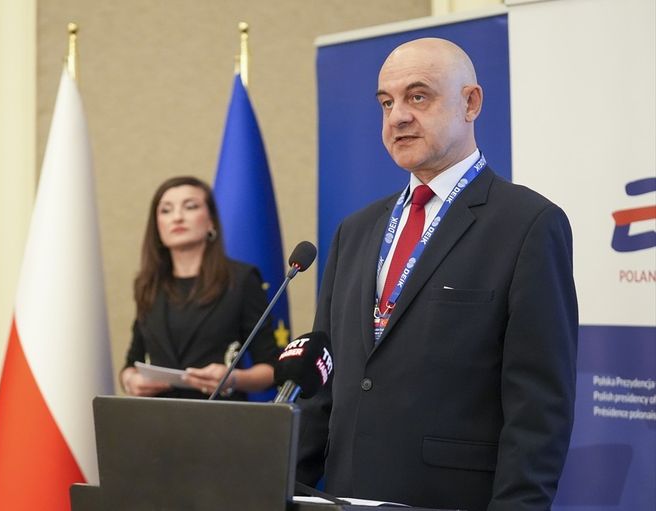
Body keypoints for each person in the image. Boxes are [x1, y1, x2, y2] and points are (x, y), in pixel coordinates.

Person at [297, 38, 578, 510]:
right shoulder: (355, 231)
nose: (397, 117)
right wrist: (276, 487)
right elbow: (322, 384)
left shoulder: (528, 224)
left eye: (418, 96)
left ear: (471, 103)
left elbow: (538, 409)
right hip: (345, 495)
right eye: (387, 102)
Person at [120, 176, 279, 400]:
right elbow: (130, 363)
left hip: (218, 413)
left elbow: (271, 369)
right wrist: (130, 381)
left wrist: (233, 378)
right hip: (159, 415)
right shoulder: (147, 284)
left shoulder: (241, 279)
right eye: (166, 210)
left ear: (211, 221)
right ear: (157, 226)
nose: (177, 217)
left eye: (190, 206)